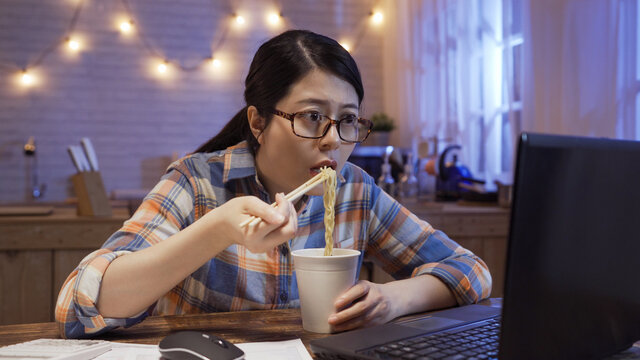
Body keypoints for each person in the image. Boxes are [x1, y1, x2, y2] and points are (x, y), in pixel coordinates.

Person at [55, 29, 492, 338]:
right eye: (312, 117)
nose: (332, 141)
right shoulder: (198, 181)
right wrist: (217, 230)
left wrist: (393, 299)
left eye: (347, 121)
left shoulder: (354, 190)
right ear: (258, 122)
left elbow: (471, 271)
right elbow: (79, 303)